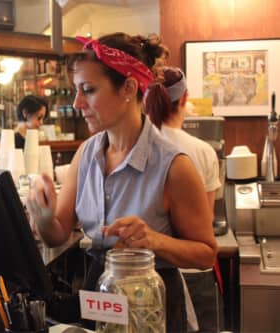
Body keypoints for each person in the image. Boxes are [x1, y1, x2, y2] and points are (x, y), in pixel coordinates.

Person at [26, 33, 217, 332]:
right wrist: (44, 216)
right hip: (98, 294)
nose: (77, 103)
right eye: (77, 91)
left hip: (153, 305)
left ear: (128, 87)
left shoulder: (173, 166)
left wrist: (153, 240)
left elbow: (206, 253)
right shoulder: (86, 154)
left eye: (88, 90)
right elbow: (57, 234)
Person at [145, 66, 223, 332]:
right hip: (191, 272)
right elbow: (207, 219)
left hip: (146, 277)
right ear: (185, 98)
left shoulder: (136, 145)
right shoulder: (202, 151)